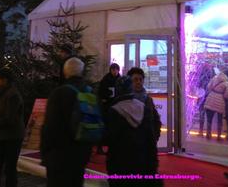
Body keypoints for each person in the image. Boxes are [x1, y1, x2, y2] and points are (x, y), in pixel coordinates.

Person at [41, 57, 93, 187]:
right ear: (82, 72)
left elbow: (50, 127)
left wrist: (45, 154)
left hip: (60, 156)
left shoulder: (59, 93)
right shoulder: (88, 92)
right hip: (80, 155)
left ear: (65, 73)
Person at [105, 75, 162, 187]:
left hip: (120, 164)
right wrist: (153, 164)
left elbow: (110, 140)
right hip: (141, 161)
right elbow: (150, 138)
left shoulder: (114, 110)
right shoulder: (143, 108)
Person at [126, 67, 162, 141]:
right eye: (135, 79)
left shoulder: (148, 100)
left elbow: (156, 120)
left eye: (141, 79)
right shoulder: (125, 100)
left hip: (146, 142)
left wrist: (154, 138)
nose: (138, 82)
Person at [203, 67, 228, 140]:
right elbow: (227, 95)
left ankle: (208, 134)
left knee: (209, 119)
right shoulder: (227, 83)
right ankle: (218, 136)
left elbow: (208, 87)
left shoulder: (214, 78)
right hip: (220, 101)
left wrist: (213, 92)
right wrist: (222, 95)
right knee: (219, 120)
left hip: (211, 98)